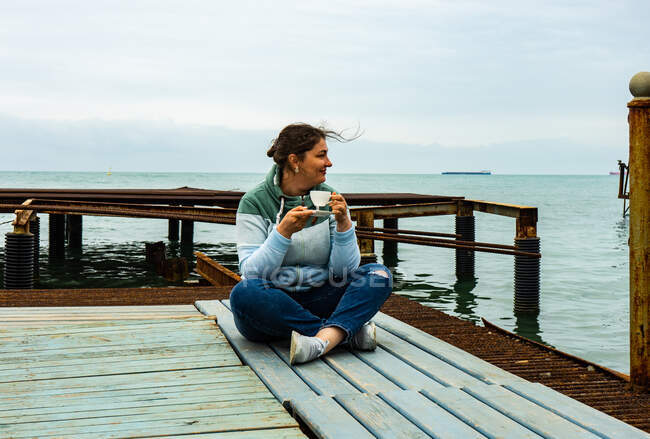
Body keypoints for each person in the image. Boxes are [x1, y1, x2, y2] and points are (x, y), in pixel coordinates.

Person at [230, 123, 392, 364]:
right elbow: (251, 272)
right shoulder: (254, 202)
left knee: (378, 274)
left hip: (320, 297)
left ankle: (320, 340)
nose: (329, 163)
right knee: (244, 293)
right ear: (295, 161)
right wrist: (282, 233)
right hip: (274, 306)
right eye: (321, 155)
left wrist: (344, 225)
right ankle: (343, 333)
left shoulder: (328, 197)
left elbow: (342, 272)